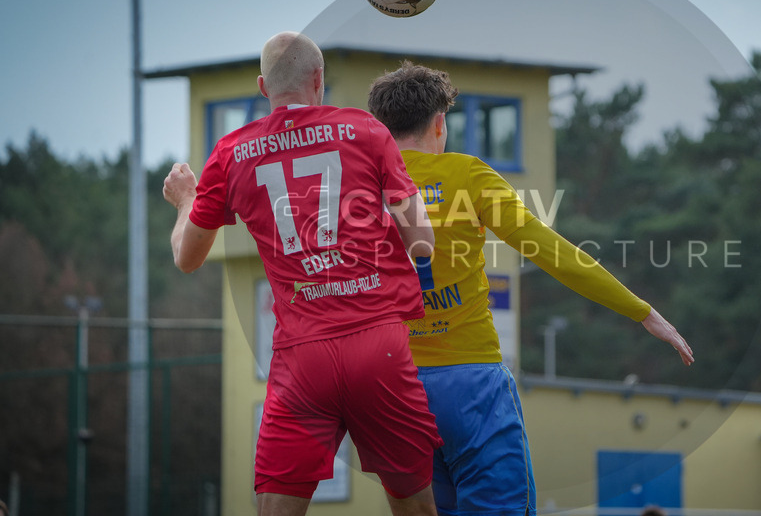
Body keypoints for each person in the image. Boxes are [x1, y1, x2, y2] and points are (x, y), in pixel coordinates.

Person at [366, 61, 695, 516]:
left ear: (379, 127)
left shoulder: (361, 187)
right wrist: (642, 311)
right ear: (440, 124)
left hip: (392, 387)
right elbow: (552, 252)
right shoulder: (466, 174)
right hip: (470, 385)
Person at [163, 33, 442, 516]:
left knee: (275, 508)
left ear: (261, 86)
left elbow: (187, 259)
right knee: (415, 506)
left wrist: (186, 201)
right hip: (379, 342)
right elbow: (423, 242)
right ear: (319, 80)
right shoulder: (366, 131)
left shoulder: (230, 153)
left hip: (302, 355)